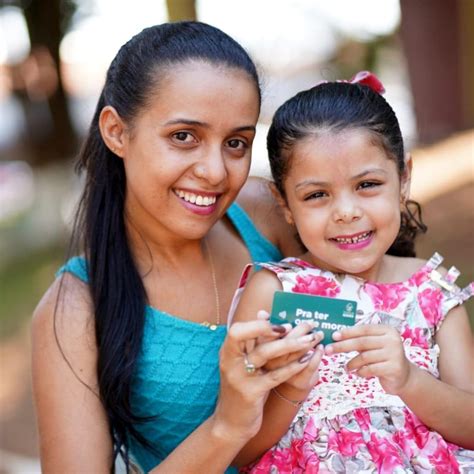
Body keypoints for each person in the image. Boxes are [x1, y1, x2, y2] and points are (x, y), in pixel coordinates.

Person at [31, 22, 325, 473]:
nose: (214, 171)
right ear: (116, 132)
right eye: (184, 136)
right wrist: (226, 426)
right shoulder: (74, 310)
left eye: (235, 143)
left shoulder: (267, 216)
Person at [230, 72, 474, 472]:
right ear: (285, 204)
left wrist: (410, 381)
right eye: (317, 195)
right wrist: (291, 389)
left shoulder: (433, 294)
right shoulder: (272, 292)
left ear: (403, 179)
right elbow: (238, 451)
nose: (346, 211)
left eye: (367, 185)